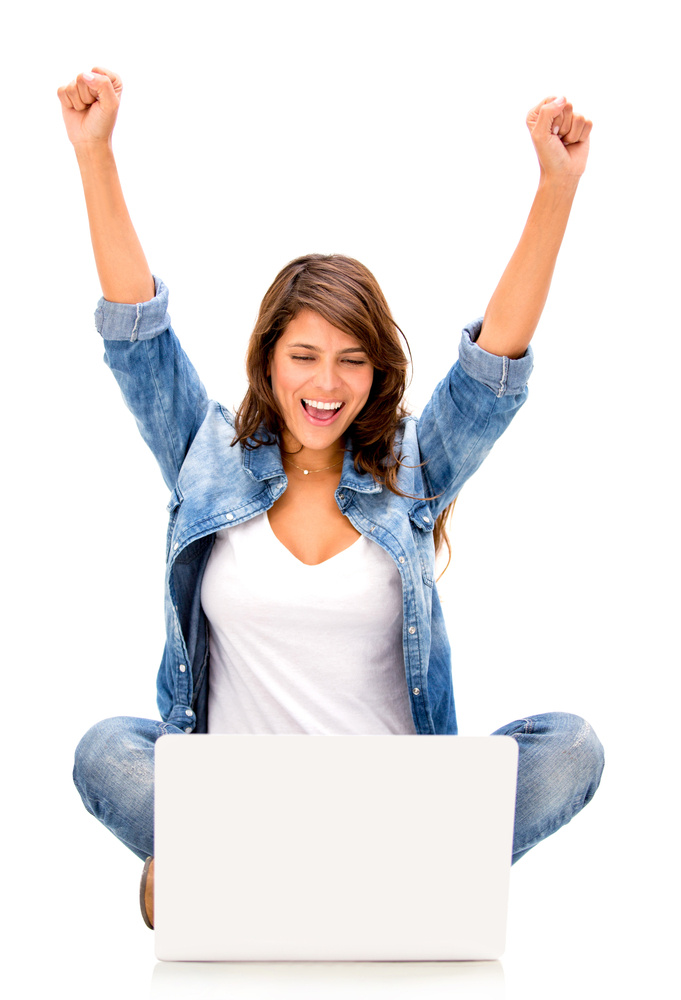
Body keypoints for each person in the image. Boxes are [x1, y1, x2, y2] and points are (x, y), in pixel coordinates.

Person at [58, 68, 605, 929]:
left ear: (376, 371)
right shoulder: (207, 455)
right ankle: (358, 891)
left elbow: (492, 369)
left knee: (569, 745)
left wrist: (555, 186)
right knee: (106, 752)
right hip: (247, 800)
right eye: (304, 354)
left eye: (352, 359)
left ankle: (272, 884)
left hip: (392, 811)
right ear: (269, 358)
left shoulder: (411, 467)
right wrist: (95, 153)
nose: (326, 382)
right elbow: (138, 336)